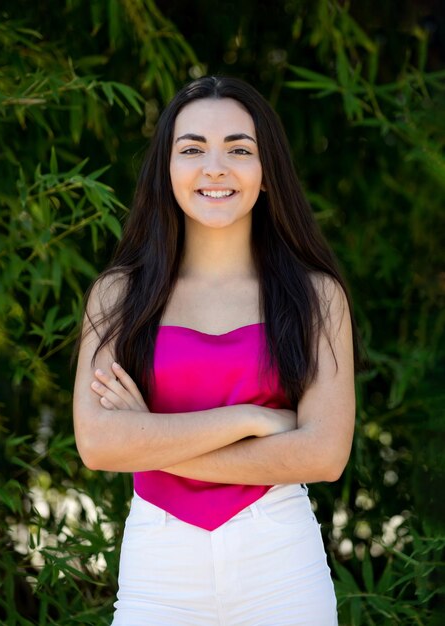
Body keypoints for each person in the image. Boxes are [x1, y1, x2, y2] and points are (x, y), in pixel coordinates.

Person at [73, 75, 357, 625]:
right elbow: (100, 445)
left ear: (266, 171)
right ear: (167, 170)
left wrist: (150, 440)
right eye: (192, 149)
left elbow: (323, 455)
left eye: (239, 149)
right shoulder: (120, 294)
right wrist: (253, 418)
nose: (215, 167)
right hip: (159, 565)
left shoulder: (317, 296)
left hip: (281, 563)